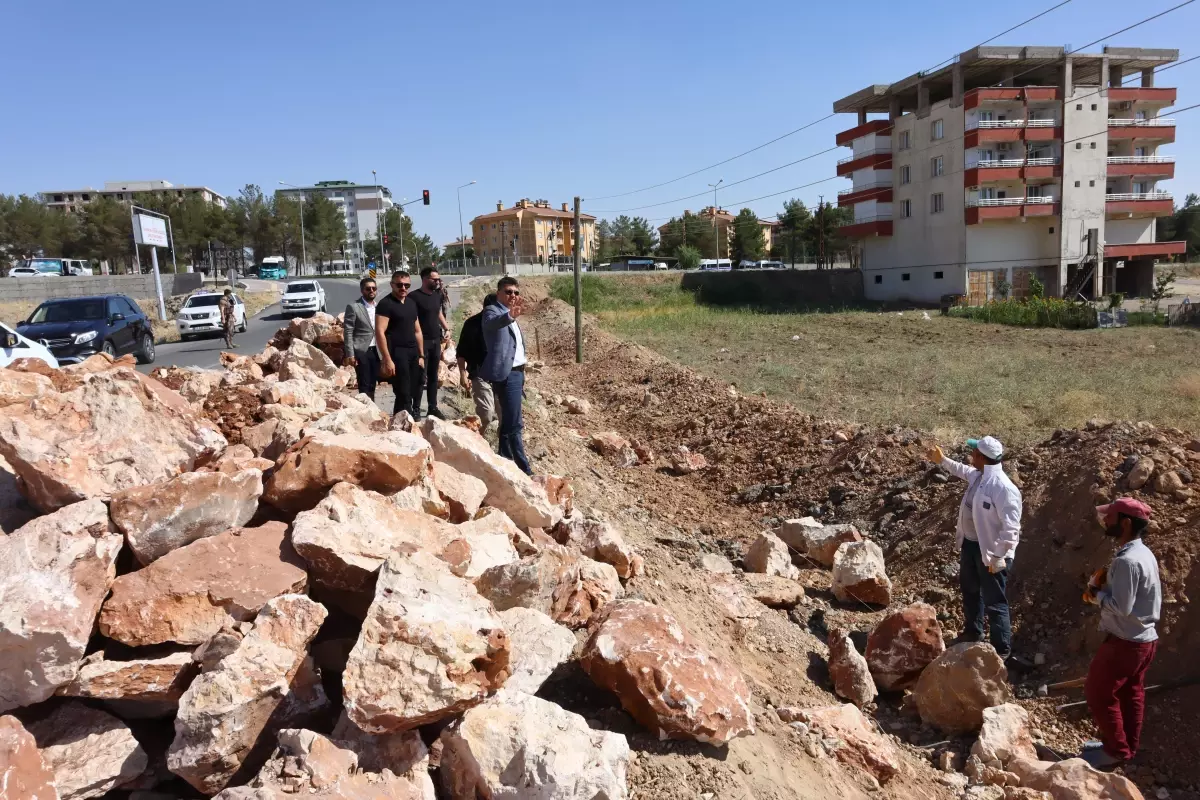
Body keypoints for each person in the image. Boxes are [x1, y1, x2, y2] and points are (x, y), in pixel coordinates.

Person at [1079, 497, 1161, 770]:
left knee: (1098, 692)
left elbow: (1122, 607)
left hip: (1126, 642)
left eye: (1111, 518)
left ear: (1125, 523)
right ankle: (1125, 749)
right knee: (1131, 693)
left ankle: (1114, 750)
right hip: (1144, 639)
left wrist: (1095, 594)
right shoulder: (1143, 553)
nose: (1106, 521)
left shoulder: (1127, 561)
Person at [926, 436, 1022, 658]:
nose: (970, 456)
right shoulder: (979, 476)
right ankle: (973, 632)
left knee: (995, 602)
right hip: (971, 545)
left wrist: (999, 556)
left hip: (991, 553)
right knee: (970, 590)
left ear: (980, 457)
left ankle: (1001, 652)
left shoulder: (1004, 489)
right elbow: (961, 470)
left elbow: (1011, 529)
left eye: (973, 452)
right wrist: (942, 460)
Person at [479, 276, 531, 474]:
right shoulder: (493, 310)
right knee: (514, 422)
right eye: (508, 292)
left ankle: (504, 459)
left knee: (510, 420)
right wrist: (510, 316)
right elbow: (493, 324)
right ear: (499, 293)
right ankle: (522, 467)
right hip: (507, 374)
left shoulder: (512, 314)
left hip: (518, 372)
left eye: (516, 292)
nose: (513, 295)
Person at [374, 270, 424, 417]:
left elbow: (417, 331)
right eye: (399, 285)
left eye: (407, 285)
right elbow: (379, 332)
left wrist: (421, 355)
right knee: (403, 391)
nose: (403, 288)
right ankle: (405, 425)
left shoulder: (411, 303)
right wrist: (387, 359)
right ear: (392, 285)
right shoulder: (385, 304)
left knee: (413, 389)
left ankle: (399, 422)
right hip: (397, 352)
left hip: (413, 352)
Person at [411, 267, 449, 419]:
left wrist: (447, 328)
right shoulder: (414, 297)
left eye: (438, 279)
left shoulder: (437, 295)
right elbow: (412, 318)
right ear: (425, 279)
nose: (438, 282)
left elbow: (438, 312)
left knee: (434, 376)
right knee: (420, 376)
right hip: (421, 342)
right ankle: (416, 408)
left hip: (436, 340)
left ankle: (432, 407)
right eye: (435, 279)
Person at [456, 294, 496, 428]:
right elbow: (461, 352)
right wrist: (462, 374)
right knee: (487, 413)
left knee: (504, 416)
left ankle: (502, 447)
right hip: (480, 374)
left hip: (501, 375)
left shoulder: (505, 324)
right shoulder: (472, 324)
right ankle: (481, 442)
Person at [342, 276, 380, 400]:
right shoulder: (354, 307)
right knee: (364, 383)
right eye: (368, 289)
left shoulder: (379, 306)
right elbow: (348, 331)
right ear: (362, 290)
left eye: (374, 288)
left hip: (377, 350)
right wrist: (350, 354)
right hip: (361, 350)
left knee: (373, 382)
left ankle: (372, 406)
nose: (371, 291)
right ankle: (365, 409)